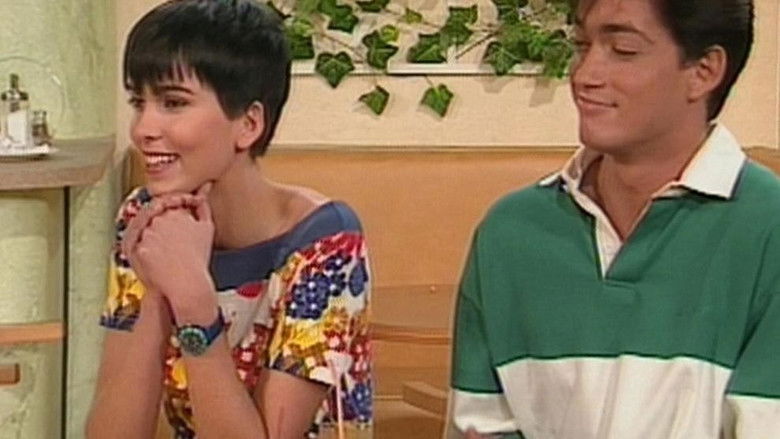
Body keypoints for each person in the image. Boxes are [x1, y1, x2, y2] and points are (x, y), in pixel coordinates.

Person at [448, 0, 779, 437]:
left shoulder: (767, 231)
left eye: (623, 50)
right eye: (582, 45)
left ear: (704, 71)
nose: (585, 75)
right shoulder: (511, 234)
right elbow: (480, 425)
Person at [86, 1, 372, 438]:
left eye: (173, 102)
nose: (142, 128)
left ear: (249, 124)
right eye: (139, 102)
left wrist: (194, 302)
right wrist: (158, 296)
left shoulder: (325, 243)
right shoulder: (143, 218)